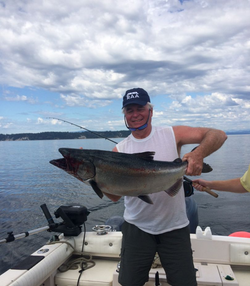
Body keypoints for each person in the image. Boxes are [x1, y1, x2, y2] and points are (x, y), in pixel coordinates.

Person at [104, 88, 227, 286]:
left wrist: (198, 154)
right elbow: (114, 197)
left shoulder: (172, 134)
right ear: (124, 114)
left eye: (140, 108)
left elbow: (218, 134)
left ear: (150, 110)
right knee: (129, 282)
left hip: (174, 227)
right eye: (129, 110)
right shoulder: (120, 150)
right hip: (137, 227)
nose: (135, 114)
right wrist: (92, 176)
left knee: (185, 282)